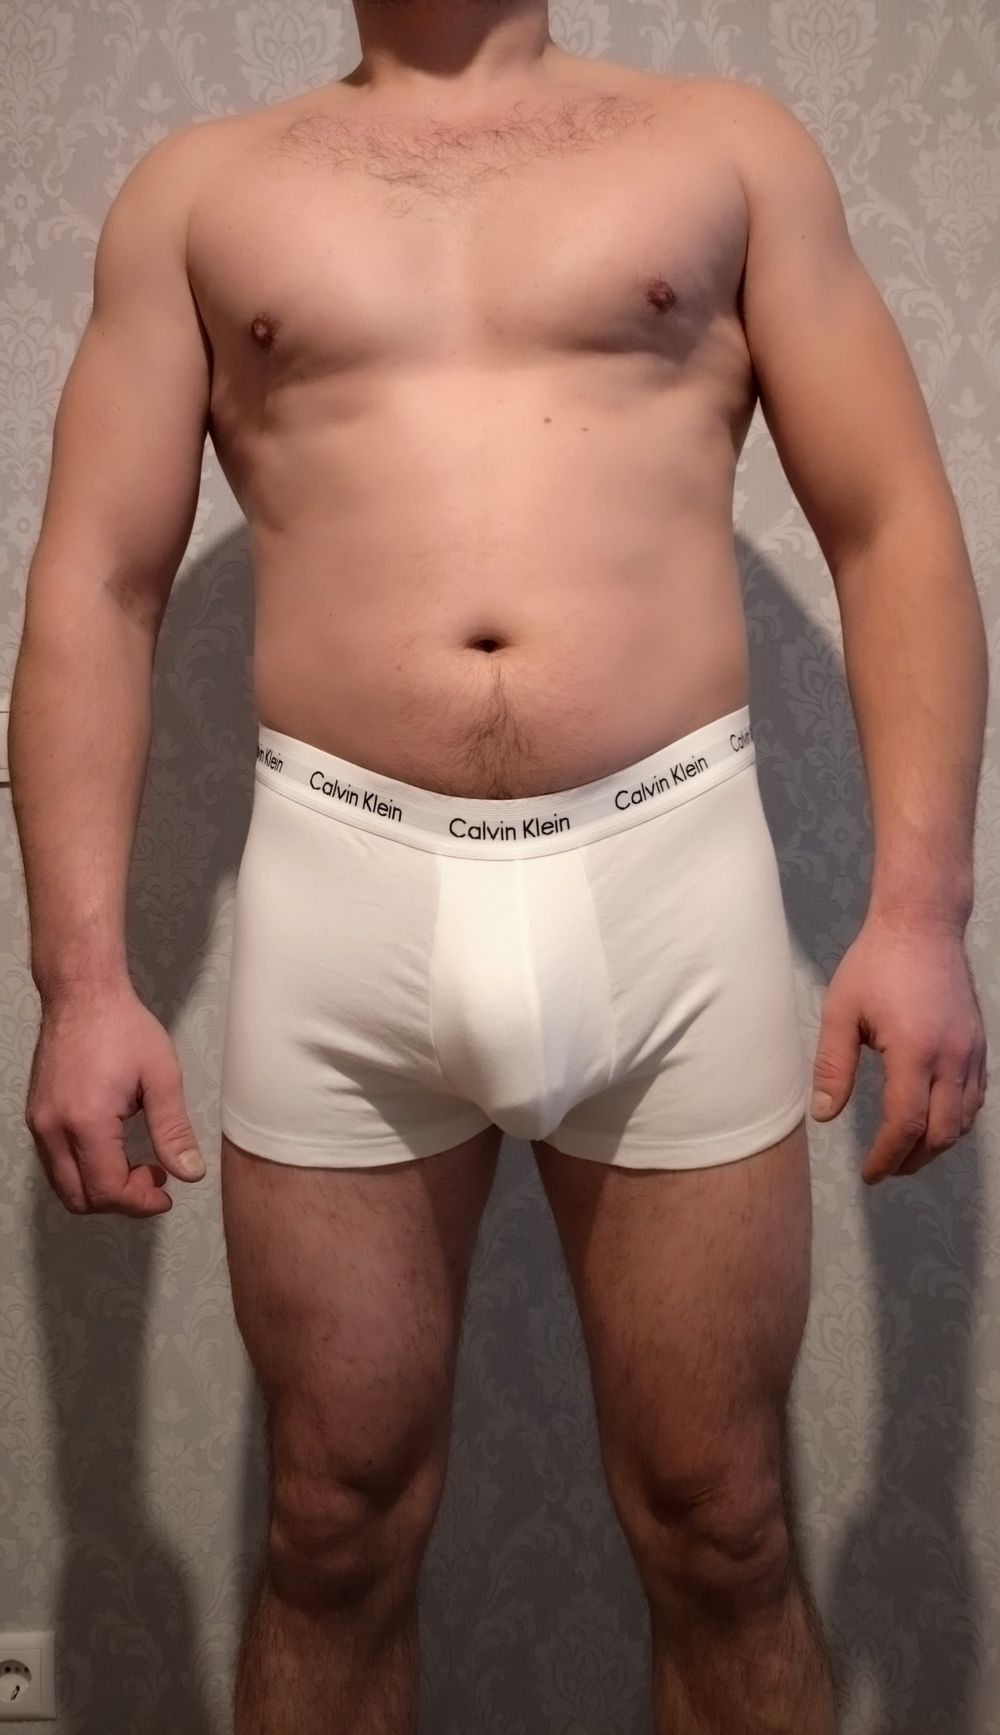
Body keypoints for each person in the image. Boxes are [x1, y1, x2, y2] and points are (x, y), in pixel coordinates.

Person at [10, 2, 988, 1731]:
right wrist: (82, 982)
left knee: (726, 1529)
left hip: (667, 878)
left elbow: (890, 521)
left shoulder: (725, 150)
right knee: (330, 1530)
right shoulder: (199, 193)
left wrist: (918, 910)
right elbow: (98, 584)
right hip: (345, 892)